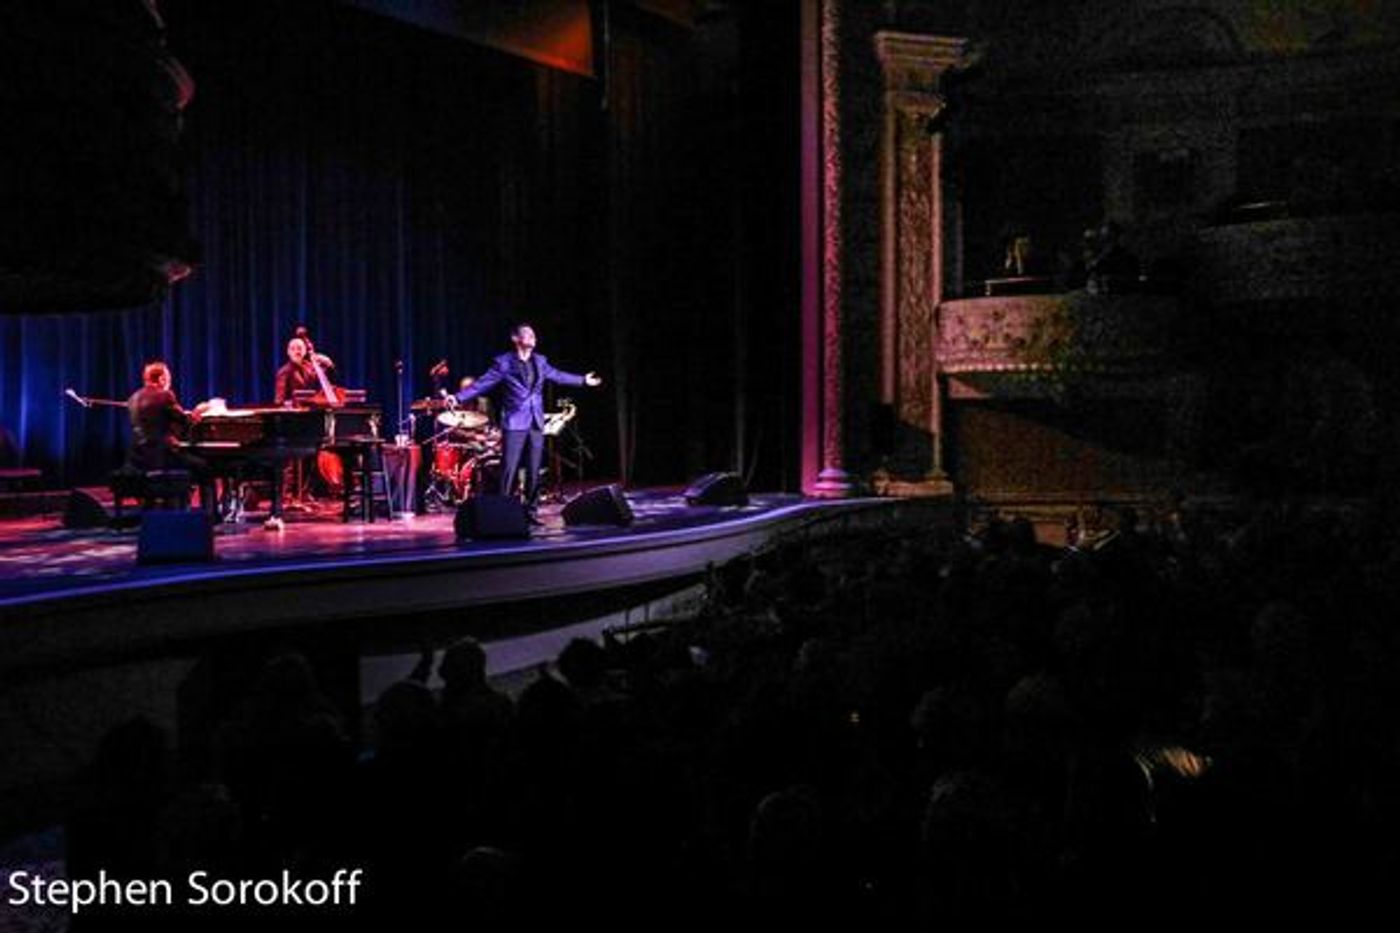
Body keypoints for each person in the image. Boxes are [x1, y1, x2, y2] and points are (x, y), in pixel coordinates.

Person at [455, 323, 601, 519]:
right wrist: (457, 398)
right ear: (516, 339)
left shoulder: (540, 361)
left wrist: (583, 380)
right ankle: (503, 513)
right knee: (509, 469)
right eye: (528, 334)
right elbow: (482, 383)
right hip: (515, 422)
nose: (533, 336)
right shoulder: (504, 363)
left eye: (534, 334)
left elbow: (558, 375)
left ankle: (531, 512)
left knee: (534, 469)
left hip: (535, 422)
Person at [274, 334, 335, 405]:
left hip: (314, 411)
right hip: (294, 413)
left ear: (305, 351)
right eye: (293, 349)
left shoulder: (311, 367)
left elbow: (329, 381)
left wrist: (329, 363)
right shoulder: (284, 372)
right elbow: (279, 401)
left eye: (300, 348)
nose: (297, 351)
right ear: (288, 352)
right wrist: (292, 404)